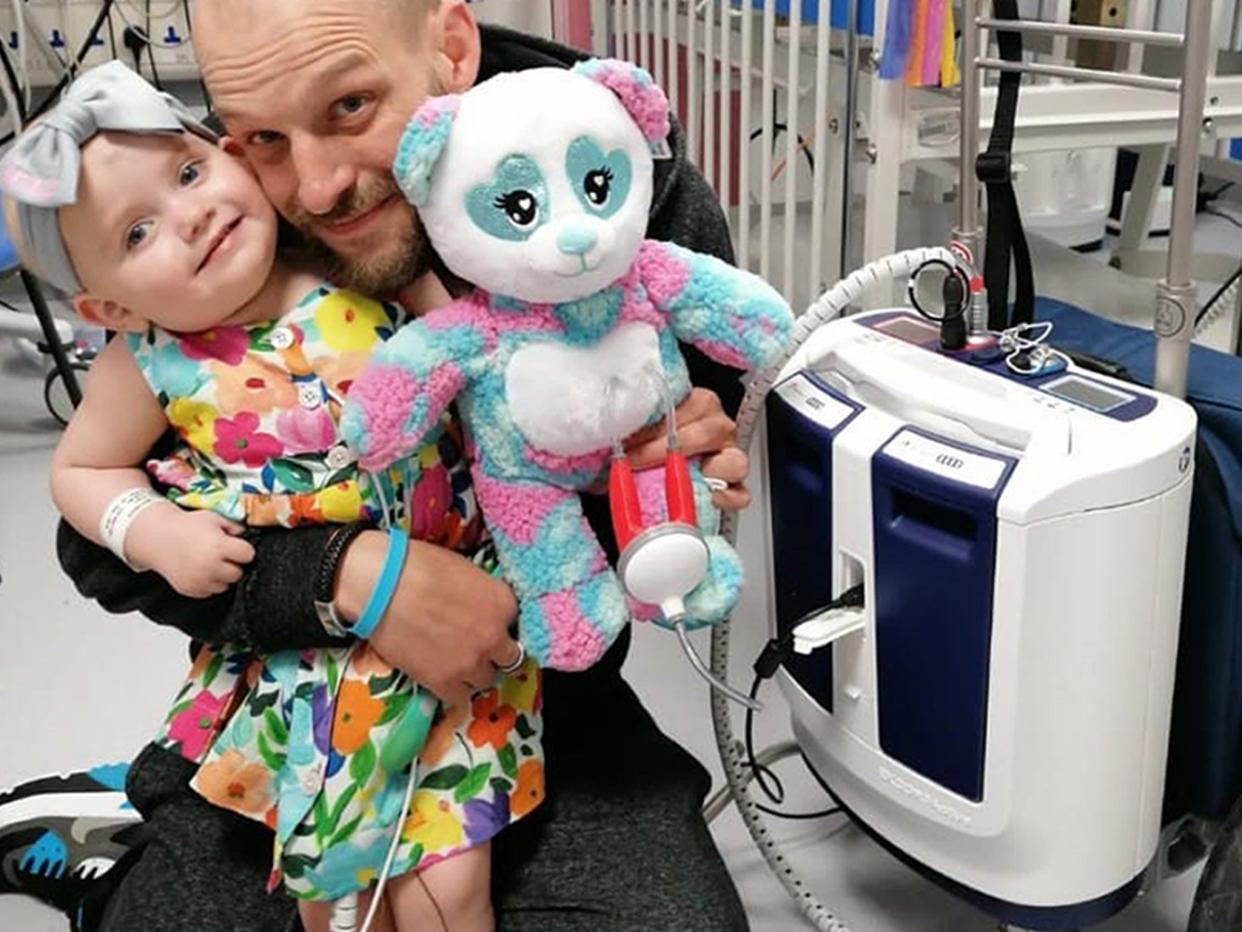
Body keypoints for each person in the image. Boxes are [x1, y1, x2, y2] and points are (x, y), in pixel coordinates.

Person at [53, 1, 753, 929]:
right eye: (259, 136)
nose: (314, 186)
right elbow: (94, 534)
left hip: (534, 692)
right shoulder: (230, 238)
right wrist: (343, 576)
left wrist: (664, 482)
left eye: (348, 107)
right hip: (294, 693)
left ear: (453, 47)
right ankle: (105, 838)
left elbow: (660, 487)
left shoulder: (610, 168)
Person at [3, 60, 561, 930]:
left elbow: (475, 349)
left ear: (230, 156)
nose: (189, 217)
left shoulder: (356, 263)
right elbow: (79, 474)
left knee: (449, 885)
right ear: (106, 306)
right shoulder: (147, 362)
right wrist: (152, 531)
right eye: (140, 232)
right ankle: (108, 832)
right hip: (304, 674)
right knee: (331, 890)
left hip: (461, 633)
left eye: (189, 175)